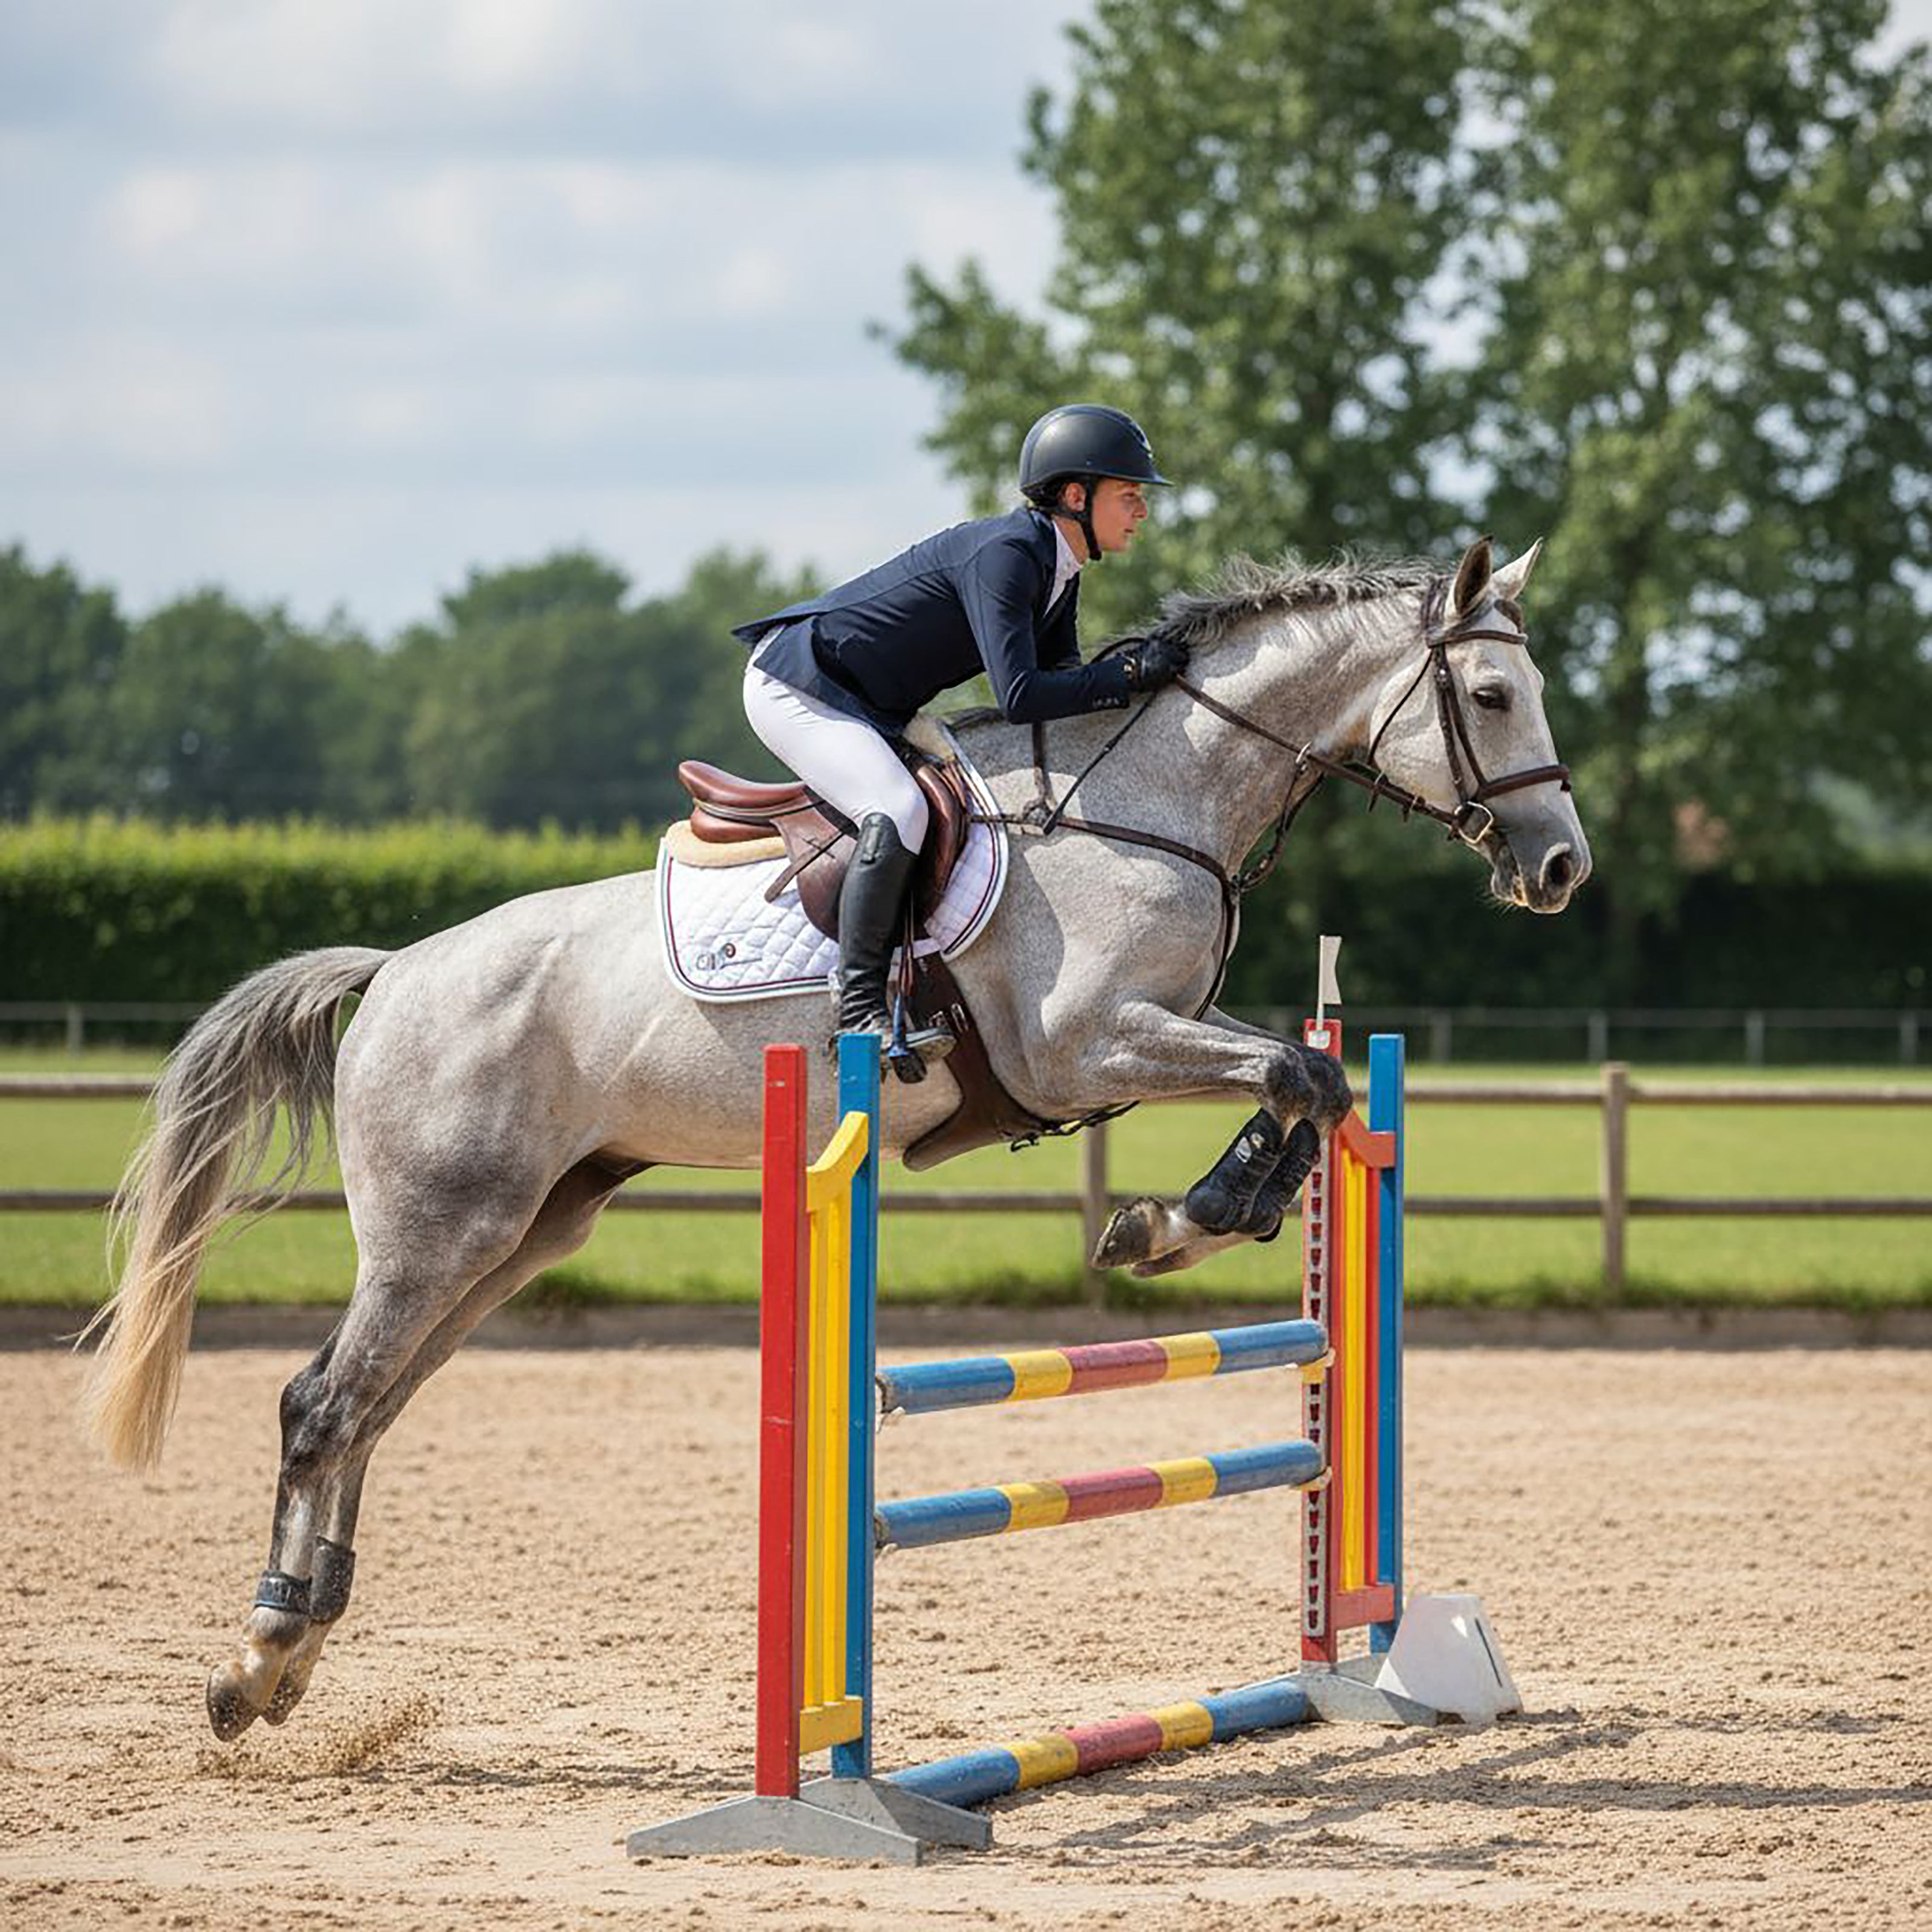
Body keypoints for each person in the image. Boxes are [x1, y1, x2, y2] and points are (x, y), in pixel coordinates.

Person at [732, 403, 1192, 1070]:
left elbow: (1065, 685)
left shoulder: (1056, 571)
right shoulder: (1008, 556)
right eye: (1128, 495)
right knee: (898, 807)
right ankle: (856, 1007)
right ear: (1074, 494)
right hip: (798, 685)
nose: (1140, 511)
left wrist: (1134, 675)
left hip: (865, 702)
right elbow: (1021, 696)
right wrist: (1123, 674)